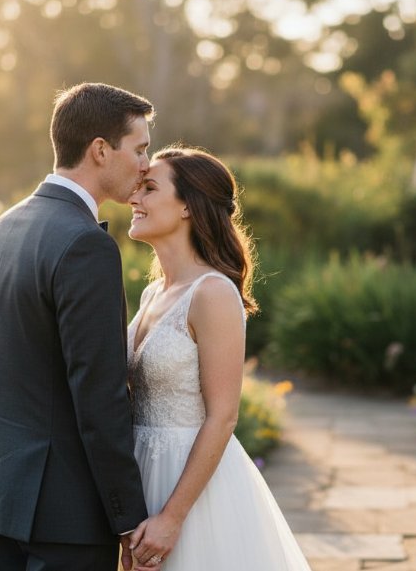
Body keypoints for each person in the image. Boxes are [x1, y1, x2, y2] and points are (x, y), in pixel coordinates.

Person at [0, 83, 160, 571]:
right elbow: (100, 395)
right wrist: (127, 516)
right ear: (100, 150)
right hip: (66, 516)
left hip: (5, 494)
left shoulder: (3, 228)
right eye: (139, 149)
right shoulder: (84, 244)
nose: (145, 166)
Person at [122, 146, 311, 570]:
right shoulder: (153, 293)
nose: (134, 199)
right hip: (142, 469)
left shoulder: (212, 293)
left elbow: (223, 416)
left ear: (188, 205)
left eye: (149, 188)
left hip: (191, 486)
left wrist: (172, 518)